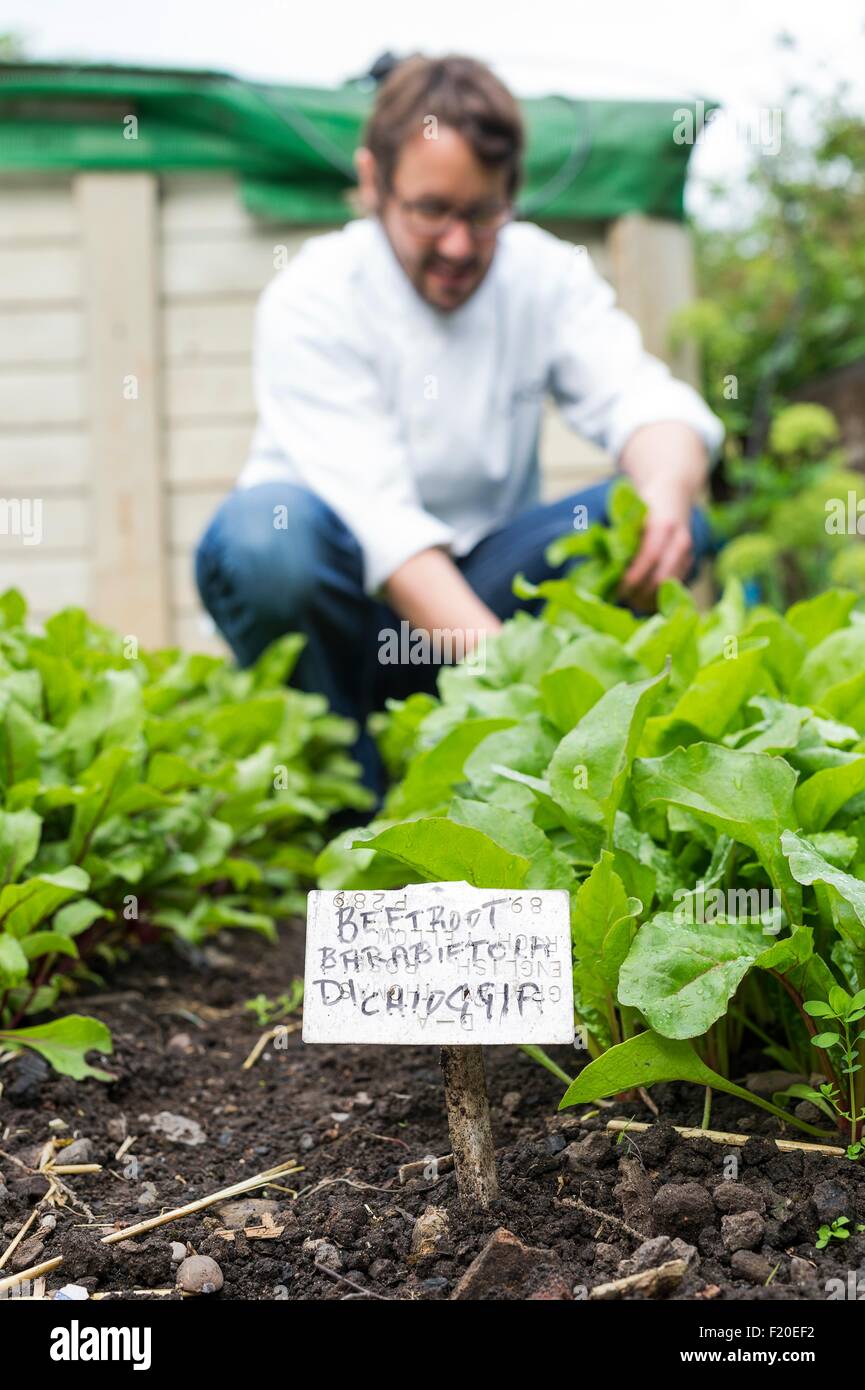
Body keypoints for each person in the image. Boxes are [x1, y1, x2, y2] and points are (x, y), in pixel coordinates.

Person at [195, 54, 723, 794]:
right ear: (373, 181)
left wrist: (666, 492)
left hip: (479, 588)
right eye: (431, 211)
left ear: (510, 193)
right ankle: (343, 796)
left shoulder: (542, 275)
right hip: (344, 611)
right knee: (267, 540)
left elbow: (644, 400)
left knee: (656, 520)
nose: (458, 245)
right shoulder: (313, 296)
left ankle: (569, 772)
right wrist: (517, 686)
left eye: (481, 214)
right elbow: (383, 526)